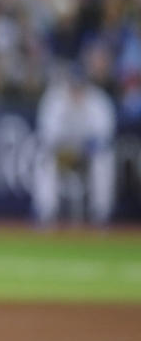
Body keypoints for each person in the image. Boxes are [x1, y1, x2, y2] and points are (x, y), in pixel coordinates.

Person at [32, 65, 117, 226]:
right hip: (63, 155)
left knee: (104, 160)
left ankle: (101, 214)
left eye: (80, 86)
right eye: (74, 86)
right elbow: (47, 136)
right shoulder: (55, 100)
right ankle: (46, 213)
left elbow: (105, 137)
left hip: (88, 156)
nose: (76, 91)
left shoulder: (98, 101)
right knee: (43, 159)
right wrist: (66, 148)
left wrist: (85, 148)